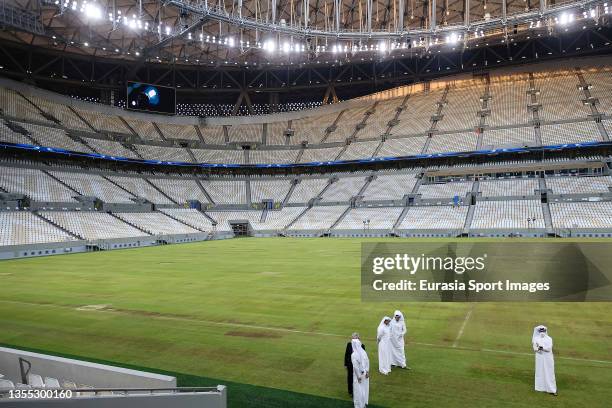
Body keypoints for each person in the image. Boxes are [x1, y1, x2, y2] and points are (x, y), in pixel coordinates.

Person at [532, 325, 557, 396]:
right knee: (540, 371)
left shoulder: (549, 339)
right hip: (539, 358)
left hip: (547, 358)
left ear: (545, 331)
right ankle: (540, 387)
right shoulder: (536, 338)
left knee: (549, 372)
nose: (542, 333)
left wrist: (541, 348)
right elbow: (535, 347)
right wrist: (538, 349)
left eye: (543, 331)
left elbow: (549, 348)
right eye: (540, 331)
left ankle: (551, 389)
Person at [350, 338, 370, 408]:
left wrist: (358, 376)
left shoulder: (353, 355)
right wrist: (367, 372)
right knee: (364, 389)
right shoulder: (364, 352)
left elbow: (355, 367)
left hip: (358, 375)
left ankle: (358, 405)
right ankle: (364, 404)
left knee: (358, 390)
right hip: (365, 374)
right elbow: (368, 362)